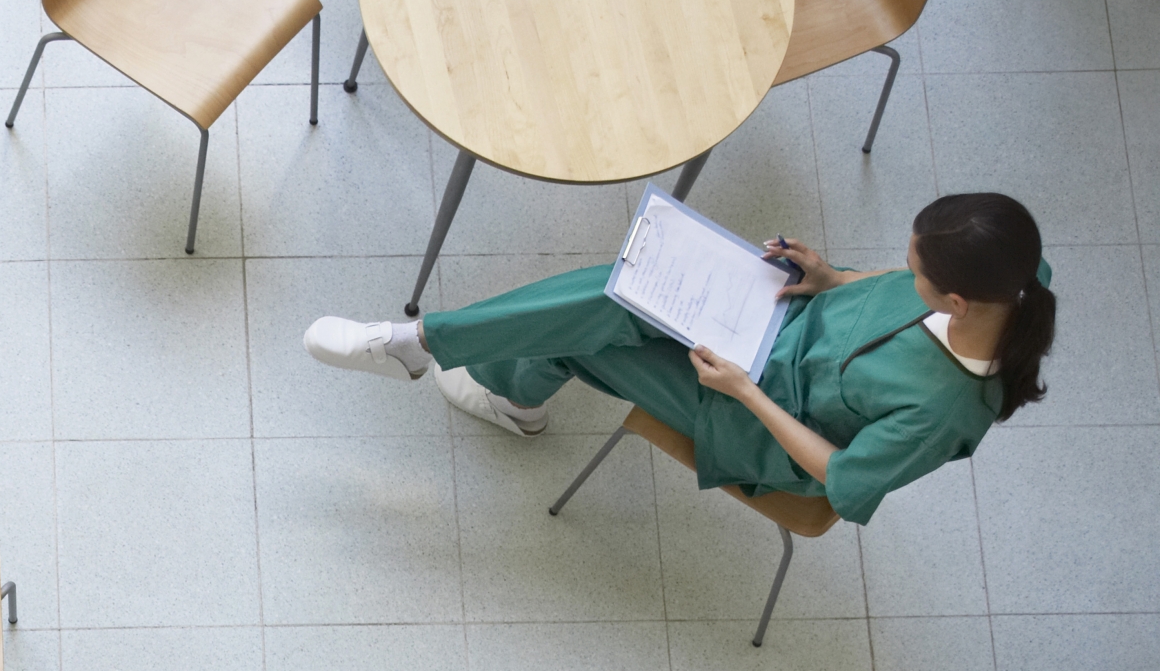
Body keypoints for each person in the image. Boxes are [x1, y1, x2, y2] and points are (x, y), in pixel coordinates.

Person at [303, 192, 1056, 525]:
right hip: (775, 327)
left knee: (590, 333)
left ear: (956, 303)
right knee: (617, 291)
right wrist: (828, 277)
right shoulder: (1013, 280)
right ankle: (426, 348)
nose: (906, 276)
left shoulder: (944, 410)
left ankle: (487, 384)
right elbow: (886, 288)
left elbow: (843, 478)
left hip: (767, 421)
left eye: (920, 273)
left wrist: (745, 393)